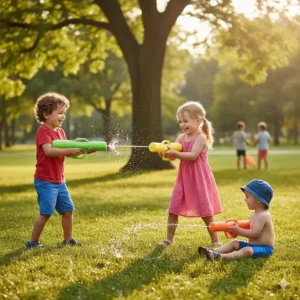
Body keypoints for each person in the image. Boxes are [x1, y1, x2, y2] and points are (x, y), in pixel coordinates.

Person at [26, 92, 94, 249]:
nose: (63, 116)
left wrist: (83, 150)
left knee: (68, 210)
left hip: (59, 180)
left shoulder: (61, 132)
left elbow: (68, 151)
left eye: (64, 113)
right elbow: (49, 151)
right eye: (60, 113)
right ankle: (33, 242)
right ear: (46, 114)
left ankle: (68, 240)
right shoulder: (43, 131)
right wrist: (70, 150)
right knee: (46, 212)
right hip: (45, 181)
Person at [158, 101, 222, 248]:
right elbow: (174, 156)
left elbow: (193, 155)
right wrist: (165, 154)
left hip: (199, 179)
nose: (182, 124)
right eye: (180, 121)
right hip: (183, 179)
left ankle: (215, 240)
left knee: (205, 211)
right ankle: (169, 239)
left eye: (186, 121)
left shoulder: (201, 137)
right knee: (173, 208)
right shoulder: (181, 138)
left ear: (198, 120)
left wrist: (175, 153)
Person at [198, 179, 274, 260]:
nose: (245, 199)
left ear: (258, 199)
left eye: (247, 197)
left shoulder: (263, 215)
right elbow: (249, 226)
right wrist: (232, 228)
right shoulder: (254, 213)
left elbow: (255, 234)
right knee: (234, 243)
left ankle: (220, 256)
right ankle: (213, 251)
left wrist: (239, 231)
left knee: (246, 250)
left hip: (264, 248)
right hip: (252, 245)